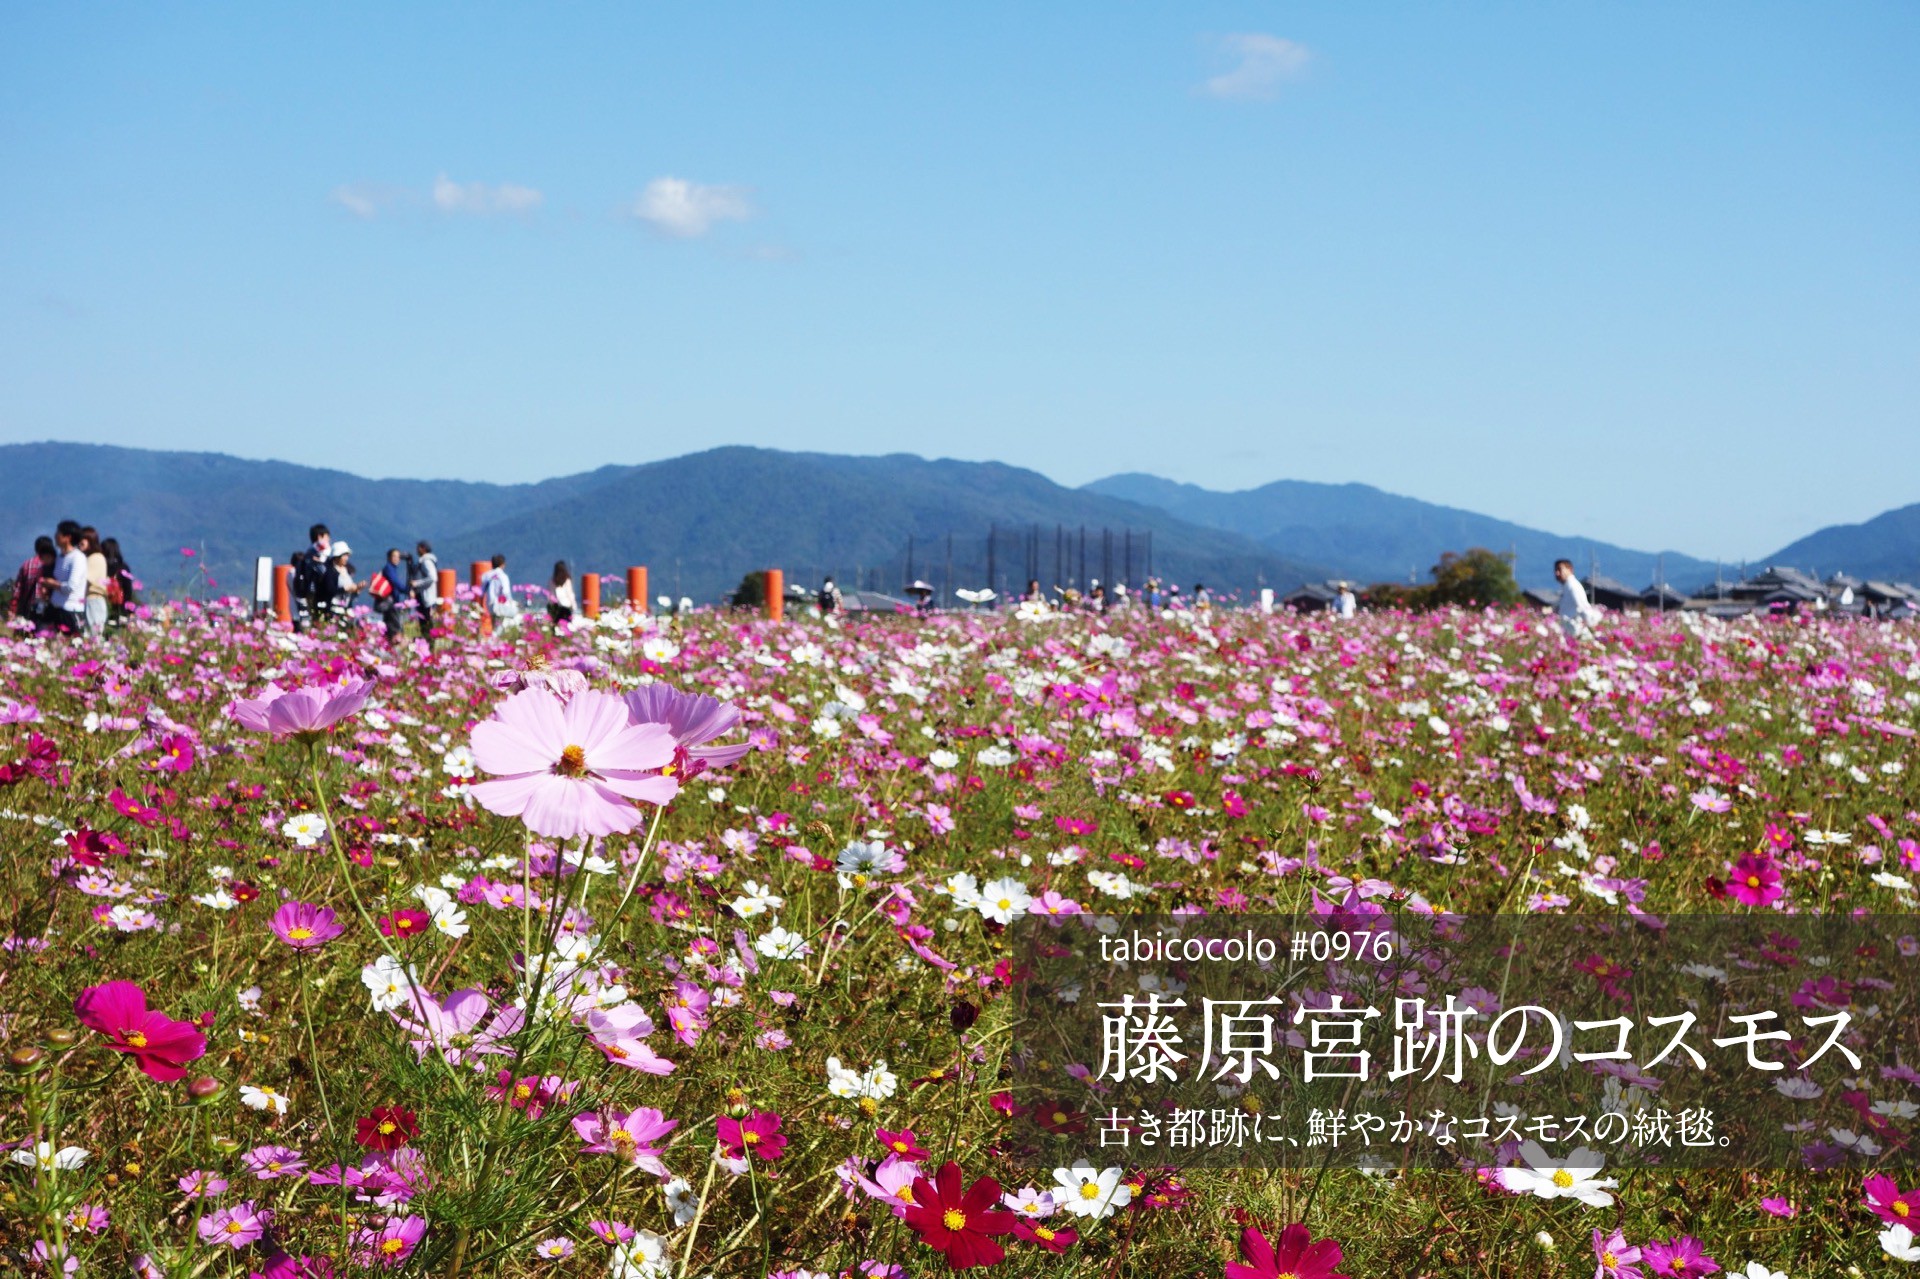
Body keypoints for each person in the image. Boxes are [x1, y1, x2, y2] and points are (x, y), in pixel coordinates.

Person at [48, 521, 88, 635]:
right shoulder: (60, 557)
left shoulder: (77, 558)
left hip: (71, 610)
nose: (55, 536)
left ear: (68, 537)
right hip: (56, 608)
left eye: (59, 533)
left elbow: (71, 587)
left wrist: (52, 584)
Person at [11, 536, 55, 629]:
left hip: (28, 607)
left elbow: (18, 590)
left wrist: (14, 607)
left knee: (26, 636)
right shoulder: (52, 564)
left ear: (36, 548)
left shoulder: (26, 564)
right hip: (46, 607)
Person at [1554, 558, 1601, 641]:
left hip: (1577, 633)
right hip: (1570, 632)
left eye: (1559, 569)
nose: (1557, 573)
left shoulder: (1573, 586)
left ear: (1570, 570)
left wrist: (1592, 624)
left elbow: (1583, 607)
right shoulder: (1567, 586)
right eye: (1555, 570)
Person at [373, 547, 410, 642]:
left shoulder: (392, 568)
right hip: (390, 602)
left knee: (389, 624)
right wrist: (407, 590)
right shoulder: (389, 568)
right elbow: (395, 582)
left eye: (398, 556)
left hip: (391, 601)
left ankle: (388, 643)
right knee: (394, 626)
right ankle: (393, 645)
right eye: (394, 556)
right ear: (389, 557)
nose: (397, 558)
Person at [80, 527, 110, 637]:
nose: (79, 543)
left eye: (82, 539)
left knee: (93, 635)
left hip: (94, 599)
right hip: (92, 600)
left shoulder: (95, 557)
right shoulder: (90, 557)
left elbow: (85, 580)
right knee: (90, 634)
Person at [410, 540, 439, 643]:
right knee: (426, 624)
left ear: (423, 549)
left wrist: (417, 583)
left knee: (426, 624)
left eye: (418, 547)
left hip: (427, 598)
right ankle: (428, 642)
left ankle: (429, 644)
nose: (417, 550)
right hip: (426, 597)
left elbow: (432, 577)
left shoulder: (426, 561)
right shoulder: (425, 561)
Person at [482, 553, 519, 630]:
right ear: (503, 564)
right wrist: (512, 602)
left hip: (489, 605)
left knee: (494, 624)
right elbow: (506, 593)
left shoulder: (486, 575)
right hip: (500, 604)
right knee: (515, 613)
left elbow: (481, 592)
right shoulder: (503, 576)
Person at [101, 538, 136, 617]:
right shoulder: (123, 567)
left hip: (104, 605)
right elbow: (128, 591)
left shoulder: (102, 566)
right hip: (120, 607)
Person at [548, 561, 576, 626]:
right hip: (567, 605)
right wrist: (573, 605)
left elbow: (550, 594)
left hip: (556, 606)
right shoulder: (567, 580)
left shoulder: (552, 580)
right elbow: (570, 594)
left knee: (557, 625)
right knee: (567, 625)